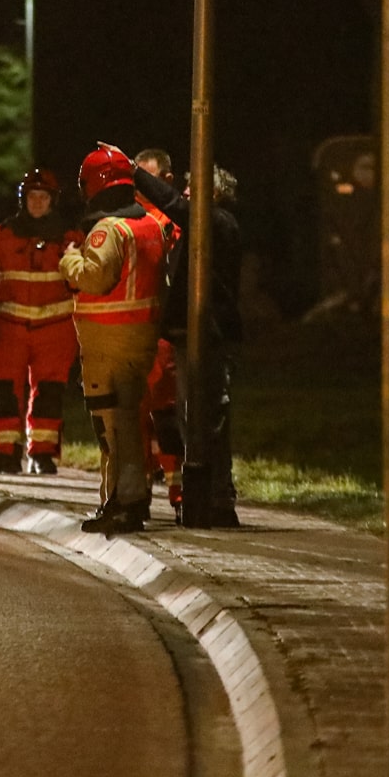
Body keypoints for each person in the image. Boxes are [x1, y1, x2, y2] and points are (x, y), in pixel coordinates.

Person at [59, 144, 173, 534]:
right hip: (141, 340)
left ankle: (123, 503)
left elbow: (93, 276)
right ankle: (128, 498)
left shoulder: (110, 229)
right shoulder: (150, 225)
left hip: (109, 344)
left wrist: (70, 258)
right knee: (130, 424)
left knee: (114, 430)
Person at [134, 161, 245, 528]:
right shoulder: (207, 224)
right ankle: (210, 498)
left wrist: (134, 173)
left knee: (207, 416)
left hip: (208, 336)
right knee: (193, 416)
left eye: (192, 189)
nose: (184, 194)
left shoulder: (218, 222)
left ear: (212, 194)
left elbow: (176, 207)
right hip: (192, 334)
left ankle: (217, 499)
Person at [0, 168, 80, 475]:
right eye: (32, 196)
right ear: (23, 199)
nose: (37, 202)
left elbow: (83, 277)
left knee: (49, 394)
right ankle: (5, 452)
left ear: (53, 201)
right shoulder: (5, 234)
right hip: (9, 327)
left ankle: (42, 454)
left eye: (43, 197)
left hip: (56, 330)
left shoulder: (69, 237)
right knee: (4, 391)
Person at [134, 149, 185, 500]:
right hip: (131, 329)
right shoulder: (129, 221)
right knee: (133, 412)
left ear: (165, 181)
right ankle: (142, 487)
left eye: (146, 181)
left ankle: (177, 486)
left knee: (164, 410)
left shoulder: (172, 223)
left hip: (162, 332)